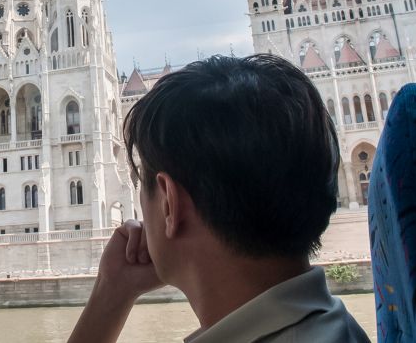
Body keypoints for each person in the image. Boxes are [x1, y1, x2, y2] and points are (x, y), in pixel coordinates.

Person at [68, 55, 370, 343]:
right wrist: (114, 291)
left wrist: (107, 296)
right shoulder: (336, 326)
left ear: (169, 204)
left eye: (139, 181)